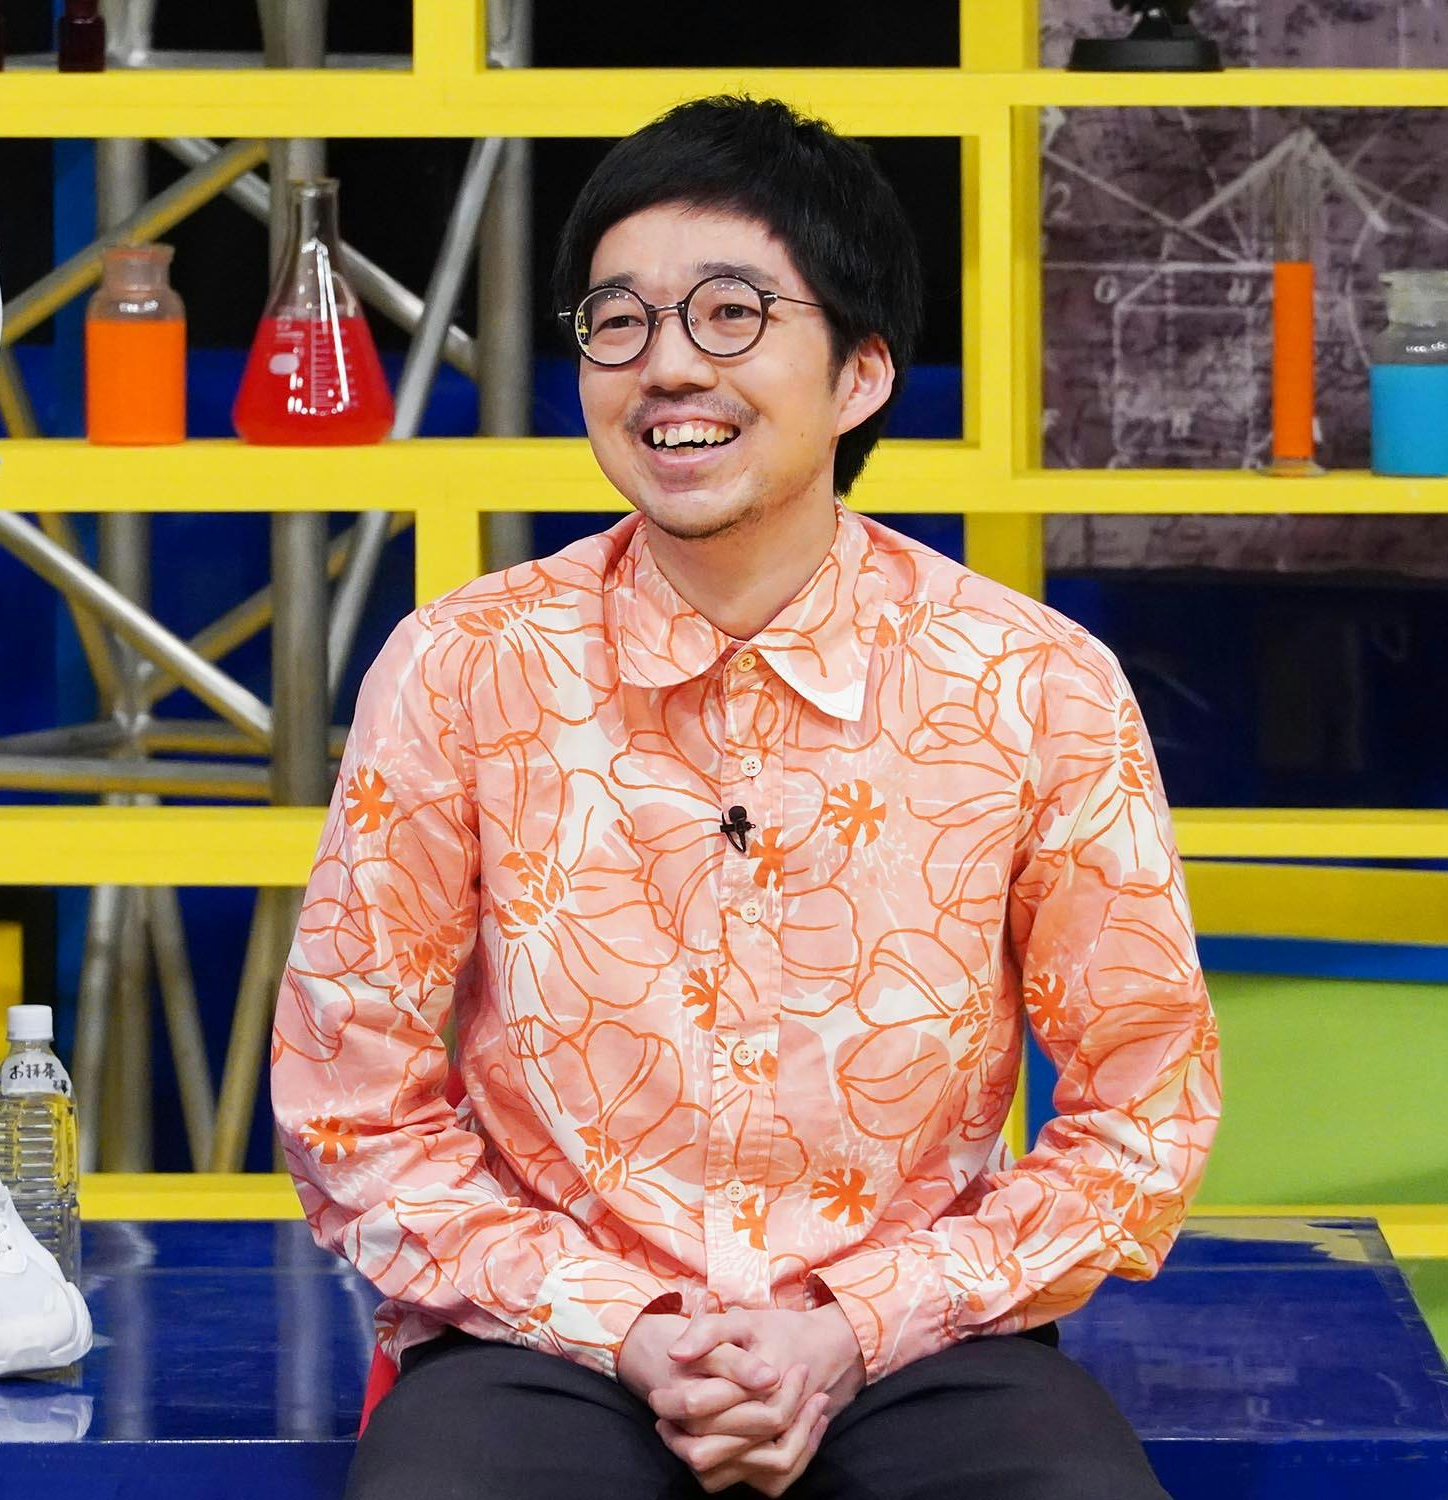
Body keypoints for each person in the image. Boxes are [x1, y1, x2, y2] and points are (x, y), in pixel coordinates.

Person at [271, 96, 1221, 1499]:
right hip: (552, 1335)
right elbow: (353, 1106)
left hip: (915, 1339)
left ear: (861, 373)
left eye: (730, 316)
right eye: (618, 322)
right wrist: (630, 1328)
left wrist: (854, 1325)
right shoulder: (462, 668)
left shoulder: (1033, 682)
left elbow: (1144, 1107)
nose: (667, 367)